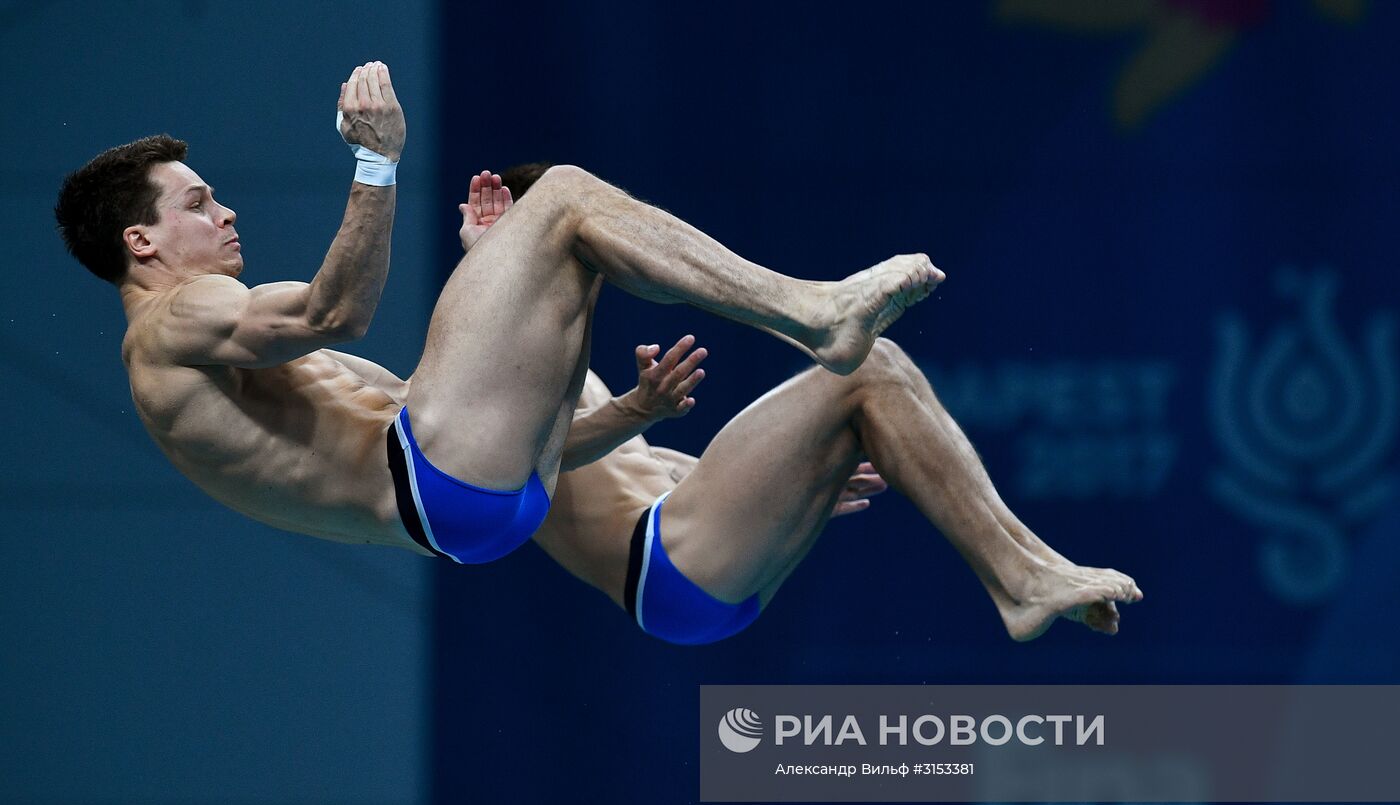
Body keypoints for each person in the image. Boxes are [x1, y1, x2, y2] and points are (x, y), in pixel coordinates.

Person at [53, 62, 942, 563]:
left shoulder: (217, 338)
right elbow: (338, 312)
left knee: (571, 247)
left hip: (472, 501)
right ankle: (812, 311)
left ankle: (811, 325)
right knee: (557, 199)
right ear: (142, 242)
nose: (227, 212)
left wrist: (633, 418)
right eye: (201, 203)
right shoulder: (175, 322)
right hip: (434, 479)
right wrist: (378, 163)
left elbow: (481, 418)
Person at [469, 164, 1142, 642]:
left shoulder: (561, 346)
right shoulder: (498, 355)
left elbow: (625, 465)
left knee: (876, 378)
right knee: (866, 368)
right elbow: (533, 461)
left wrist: (789, 475)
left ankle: (1034, 568)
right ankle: (1021, 580)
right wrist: (490, 258)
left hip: (685, 561)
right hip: (665, 561)